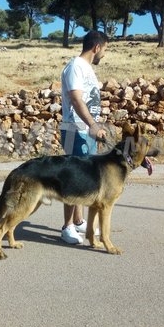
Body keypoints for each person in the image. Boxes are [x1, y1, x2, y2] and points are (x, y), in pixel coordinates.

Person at [59, 30, 108, 244]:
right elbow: (77, 100)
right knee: (73, 178)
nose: (104, 55)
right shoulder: (75, 67)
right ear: (96, 47)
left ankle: (78, 220)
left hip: (85, 131)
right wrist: (93, 125)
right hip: (74, 130)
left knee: (83, 178)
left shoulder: (85, 68)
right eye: (104, 50)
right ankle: (67, 226)